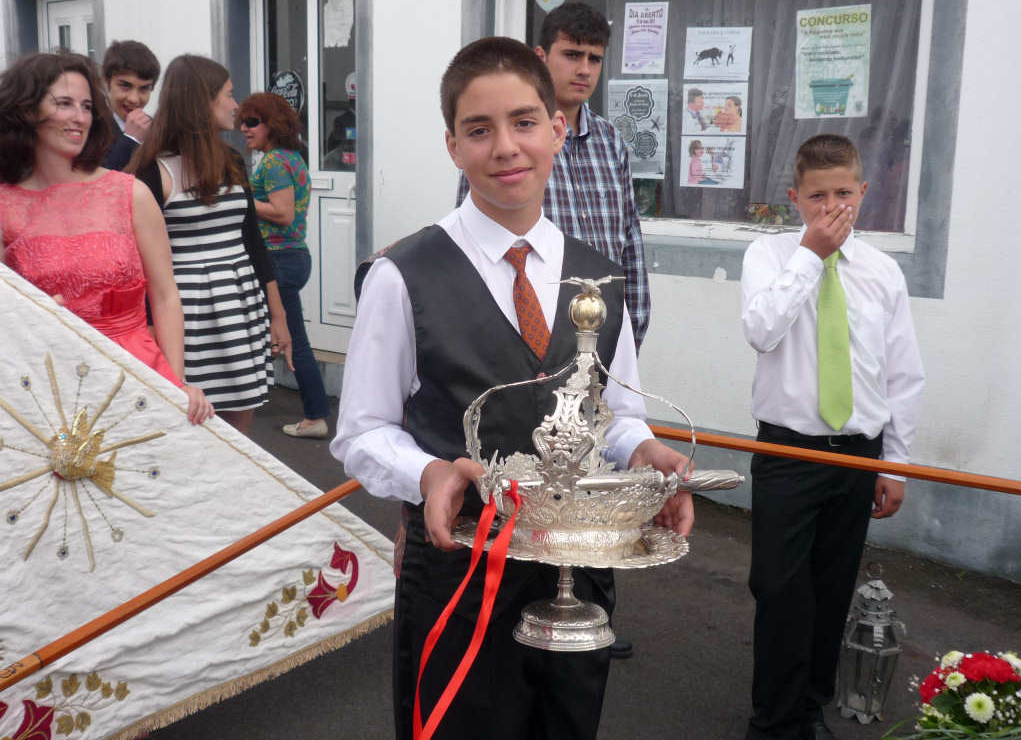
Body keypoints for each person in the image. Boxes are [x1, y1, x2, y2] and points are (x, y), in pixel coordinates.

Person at [332, 37, 694, 740]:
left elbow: (615, 412)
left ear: (556, 129)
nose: (505, 147)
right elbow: (363, 431)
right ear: (453, 146)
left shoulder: (601, 276)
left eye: (524, 122)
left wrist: (642, 449)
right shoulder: (403, 275)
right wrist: (429, 471)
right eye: (479, 129)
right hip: (459, 578)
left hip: (577, 575)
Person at [740, 134, 925, 740]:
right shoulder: (769, 256)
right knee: (777, 586)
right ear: (795, 197)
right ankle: (772, 719)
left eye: (843, 193)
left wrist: (894, 464)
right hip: (787, 451)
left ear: (863, 192)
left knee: (829, 586)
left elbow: (902, 373)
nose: (831, 207)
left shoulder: (882, 271)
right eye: (817, 196)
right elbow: (762, 331)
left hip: (857, 456)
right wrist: (810, 257)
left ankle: (809, 708)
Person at [0, 51, 212, 424]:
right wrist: (32, 315)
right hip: (47, 387)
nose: (80, 117)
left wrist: (177, 382)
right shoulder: (5, 204)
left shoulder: (129, 193)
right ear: (27, 110)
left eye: (86, 106)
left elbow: (165, 295)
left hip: (136, 376)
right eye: (64, 103)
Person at [457, 1, 650, 352]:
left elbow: (631, 244)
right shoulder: (511, 147)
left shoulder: (611, 142)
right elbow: (473, 245)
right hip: (530, 332)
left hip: (603, 333)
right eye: (572, 55)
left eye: (594, 59)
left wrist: (629, 336)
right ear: (541, 57)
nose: (584, 70)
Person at [128, 55, 291, 435]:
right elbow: (137, 262)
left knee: (241, 425)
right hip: (188, 316)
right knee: (191, 424)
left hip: (241, 306)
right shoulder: (152, 170)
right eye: (229, 95)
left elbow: (252, 241)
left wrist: (278, 315)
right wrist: (149, 329)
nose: (236, 106)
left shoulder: (232, 160)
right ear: (201, 101)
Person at [238, 91, 331, 438]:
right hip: (292, 256)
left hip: (279, 259)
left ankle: (315, 416)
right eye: (242, 122)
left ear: (271, 124)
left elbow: (283, 212)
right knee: (276, 334)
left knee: (294, 341)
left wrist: (240, 197)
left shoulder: (275, 162)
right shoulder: (292, 157)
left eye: (252, 122)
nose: (244, 129)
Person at [101, 40, 160, 171]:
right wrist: (130, 139)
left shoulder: (155, 130)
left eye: (144, 88)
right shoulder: (91, 127)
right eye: (125, 86)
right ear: (106, 81)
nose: (134, 99)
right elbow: (99, 179)